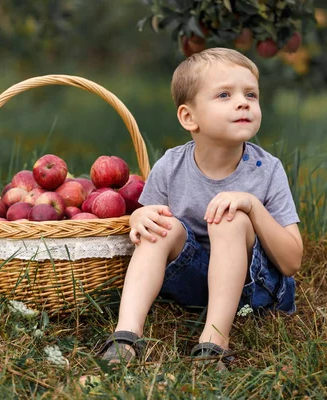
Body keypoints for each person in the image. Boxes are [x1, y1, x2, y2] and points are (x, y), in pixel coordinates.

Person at [98, 47, 303, 369]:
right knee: (161, 225)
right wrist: (139, 214)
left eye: (251, 94)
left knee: (230, 217)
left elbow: (291, 262)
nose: (243, 102)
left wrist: (252, 207)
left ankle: (213, 343)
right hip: (190, 283)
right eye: (224, 94)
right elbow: (147, 224)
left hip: (253, 292)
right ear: (188, 117)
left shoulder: (268, 170)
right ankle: (126, 336)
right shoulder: (171, 165)